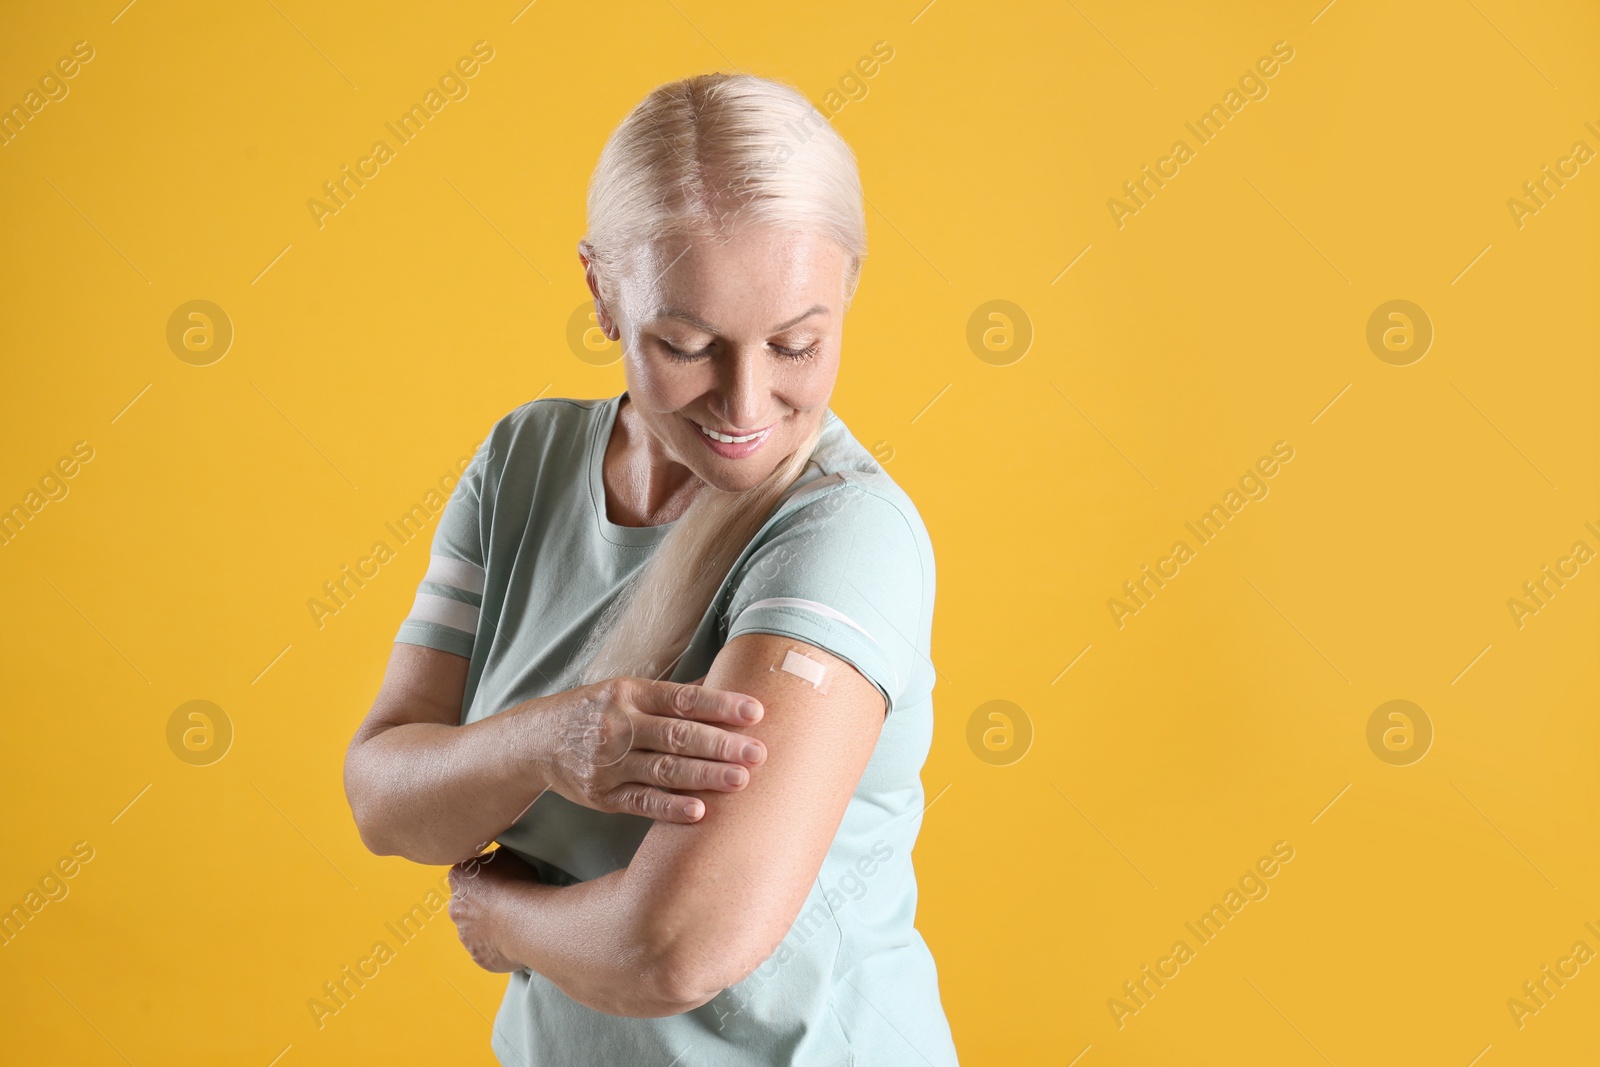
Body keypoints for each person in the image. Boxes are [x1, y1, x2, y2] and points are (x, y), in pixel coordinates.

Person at [342, 71, 959, 1066]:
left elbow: (673, 947)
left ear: (847, 291)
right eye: (686, 342)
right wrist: (551, 739)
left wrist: (497, 913)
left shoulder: (846, 536)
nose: (746, 402)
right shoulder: (522, 463)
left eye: (797, 343)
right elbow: (382, 795)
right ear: (601, 294)